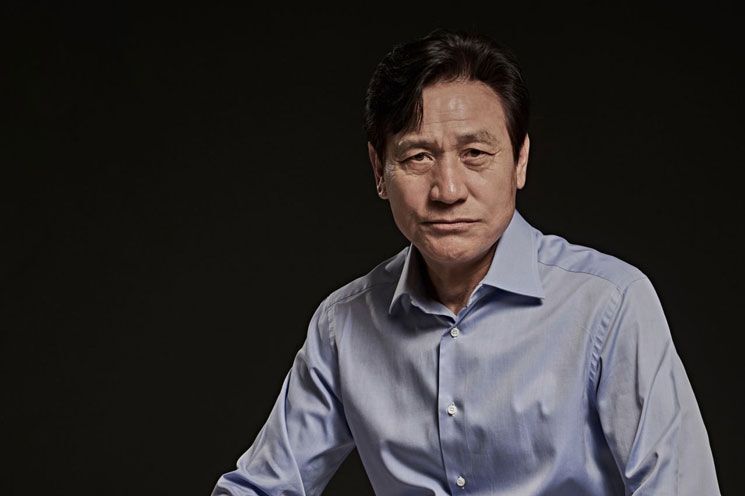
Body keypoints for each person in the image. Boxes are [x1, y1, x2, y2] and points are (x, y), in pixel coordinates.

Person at [211, 29, 720, 495]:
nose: (448, 190)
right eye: (418, 157)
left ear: (520, 161)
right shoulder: (343, 324)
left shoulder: (609, 304)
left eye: (475, 153)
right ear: (379, 170)